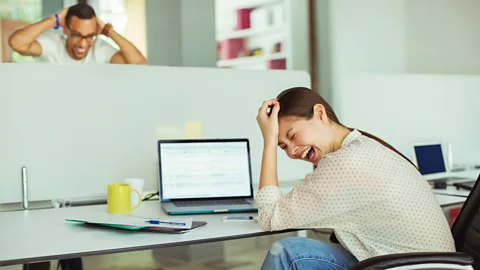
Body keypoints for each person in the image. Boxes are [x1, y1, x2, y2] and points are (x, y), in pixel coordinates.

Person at [255, 87, 455, 269]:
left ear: (320, 113)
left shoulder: (343, 164)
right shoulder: (361, 145)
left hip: (411, 266)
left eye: (292, 136)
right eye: (283, 147)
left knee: (287, 253)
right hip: (431, 264)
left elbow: (269, 216)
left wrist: (269, 142)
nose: (292, 151)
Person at [8, 3, 147, 64]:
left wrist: (109, 31)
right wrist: (53, 20)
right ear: (65, 29)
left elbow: (139, 63)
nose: (83, 43)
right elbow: (16, 43)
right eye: (76, 34)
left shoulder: (99, 49)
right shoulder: (53, 43)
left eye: (89, 36)